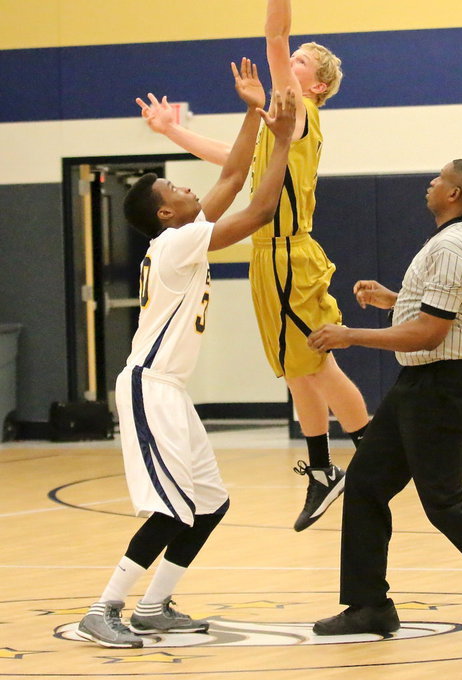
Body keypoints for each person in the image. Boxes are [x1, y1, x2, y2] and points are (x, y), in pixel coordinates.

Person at [135, 0, 369, 533]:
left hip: (290, 250)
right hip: (270, 255)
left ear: (315, 86)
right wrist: (169, 133)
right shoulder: (275, 127)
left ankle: (374, 453)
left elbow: (274, 33)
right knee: (295, 367)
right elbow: (227, 158)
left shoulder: (300, 110)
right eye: (292, 63)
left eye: (298, 66)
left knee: (318, 364)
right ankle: (322, 469)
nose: (287, 68)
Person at [77, 62, 296, 648]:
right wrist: (281, 144)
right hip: (149, 387)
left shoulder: (182, 233)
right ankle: (104, 608)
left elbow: (230, 172)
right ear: (165, 213)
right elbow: (259, 210)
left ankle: (153, 606)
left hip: (169, 390)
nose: (188, 187)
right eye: (176, 190)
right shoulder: (176, 243)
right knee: (176, 510)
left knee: (210, 505)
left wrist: (253, 109)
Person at [308, 159, 462, 635]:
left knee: (444, 504)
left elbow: (428, 334)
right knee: (364, 485)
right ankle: (369, 607)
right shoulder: (456, 242)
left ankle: (369, 606)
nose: (432, 181)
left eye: (440, 178)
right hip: (420, 387)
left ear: (455, 195)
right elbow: (446, 313)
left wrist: (350, 335)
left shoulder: (455, 246)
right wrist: (395, 299)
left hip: (441, 386)